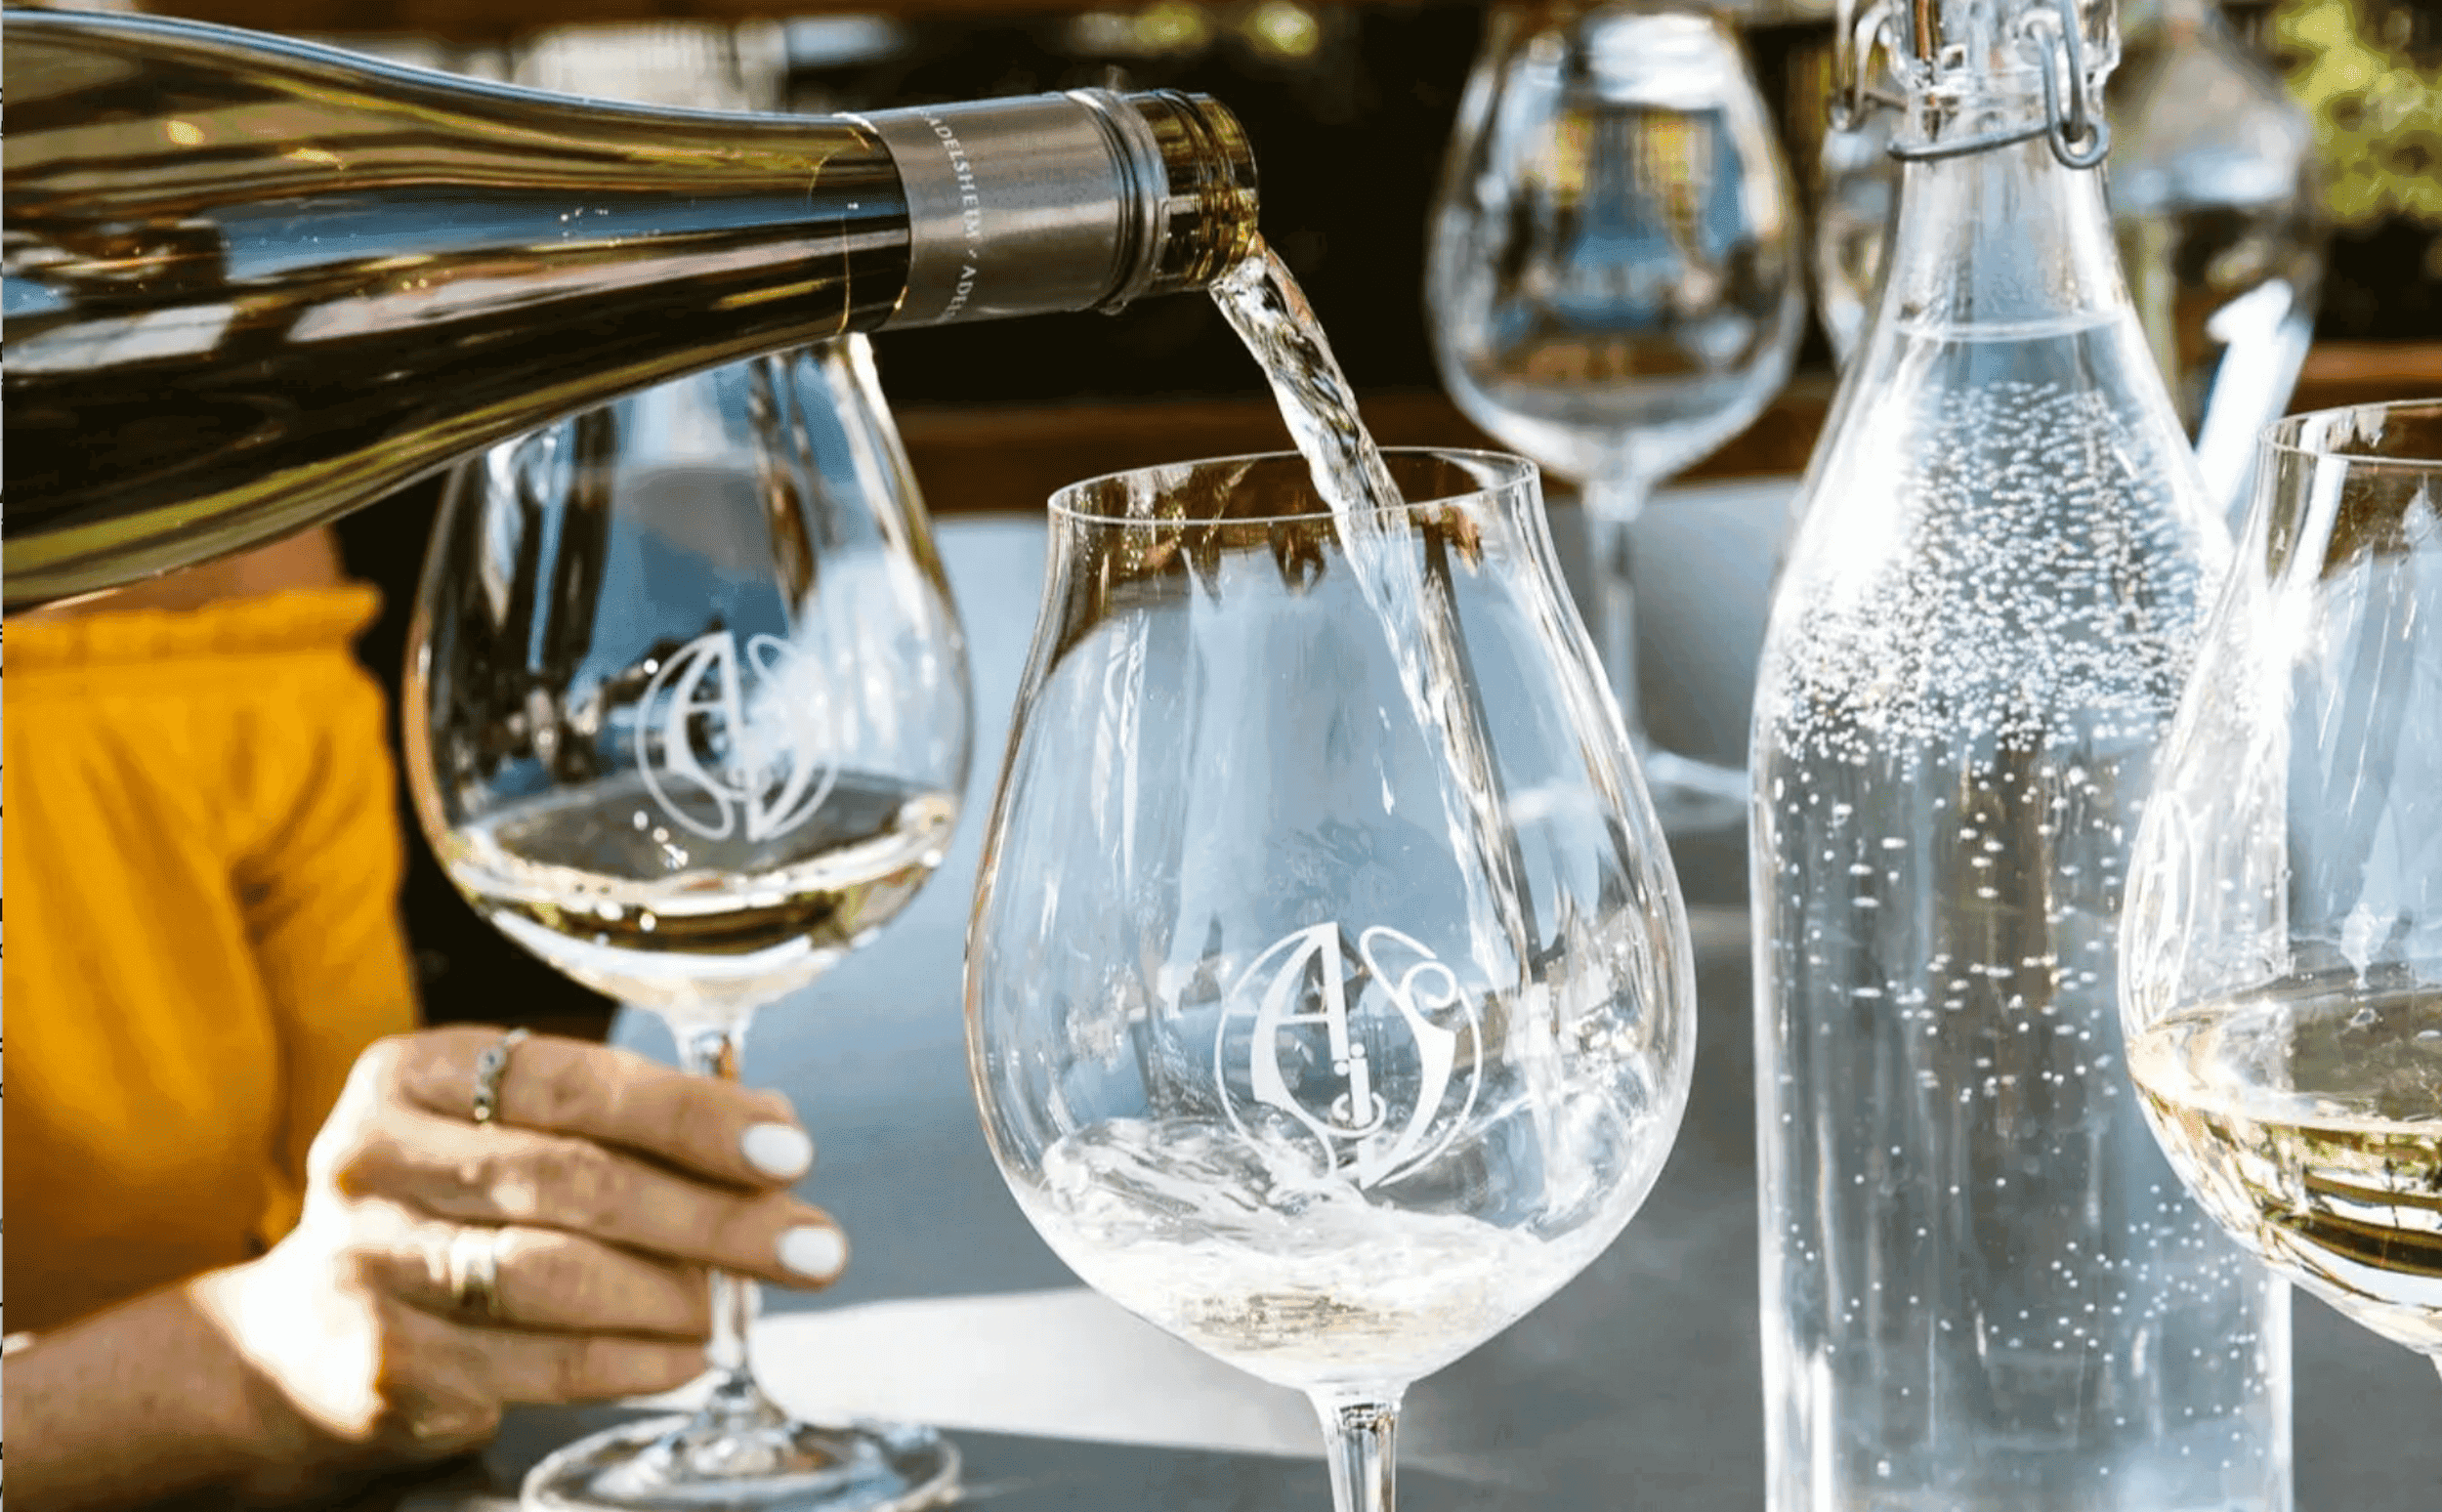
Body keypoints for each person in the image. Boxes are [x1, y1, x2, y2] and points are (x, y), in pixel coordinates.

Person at [3, 531, 850, 1509]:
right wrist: (235, 1369)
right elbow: (288, 1339)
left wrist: (410, 1256)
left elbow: (336, 1237)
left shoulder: (219, 536)